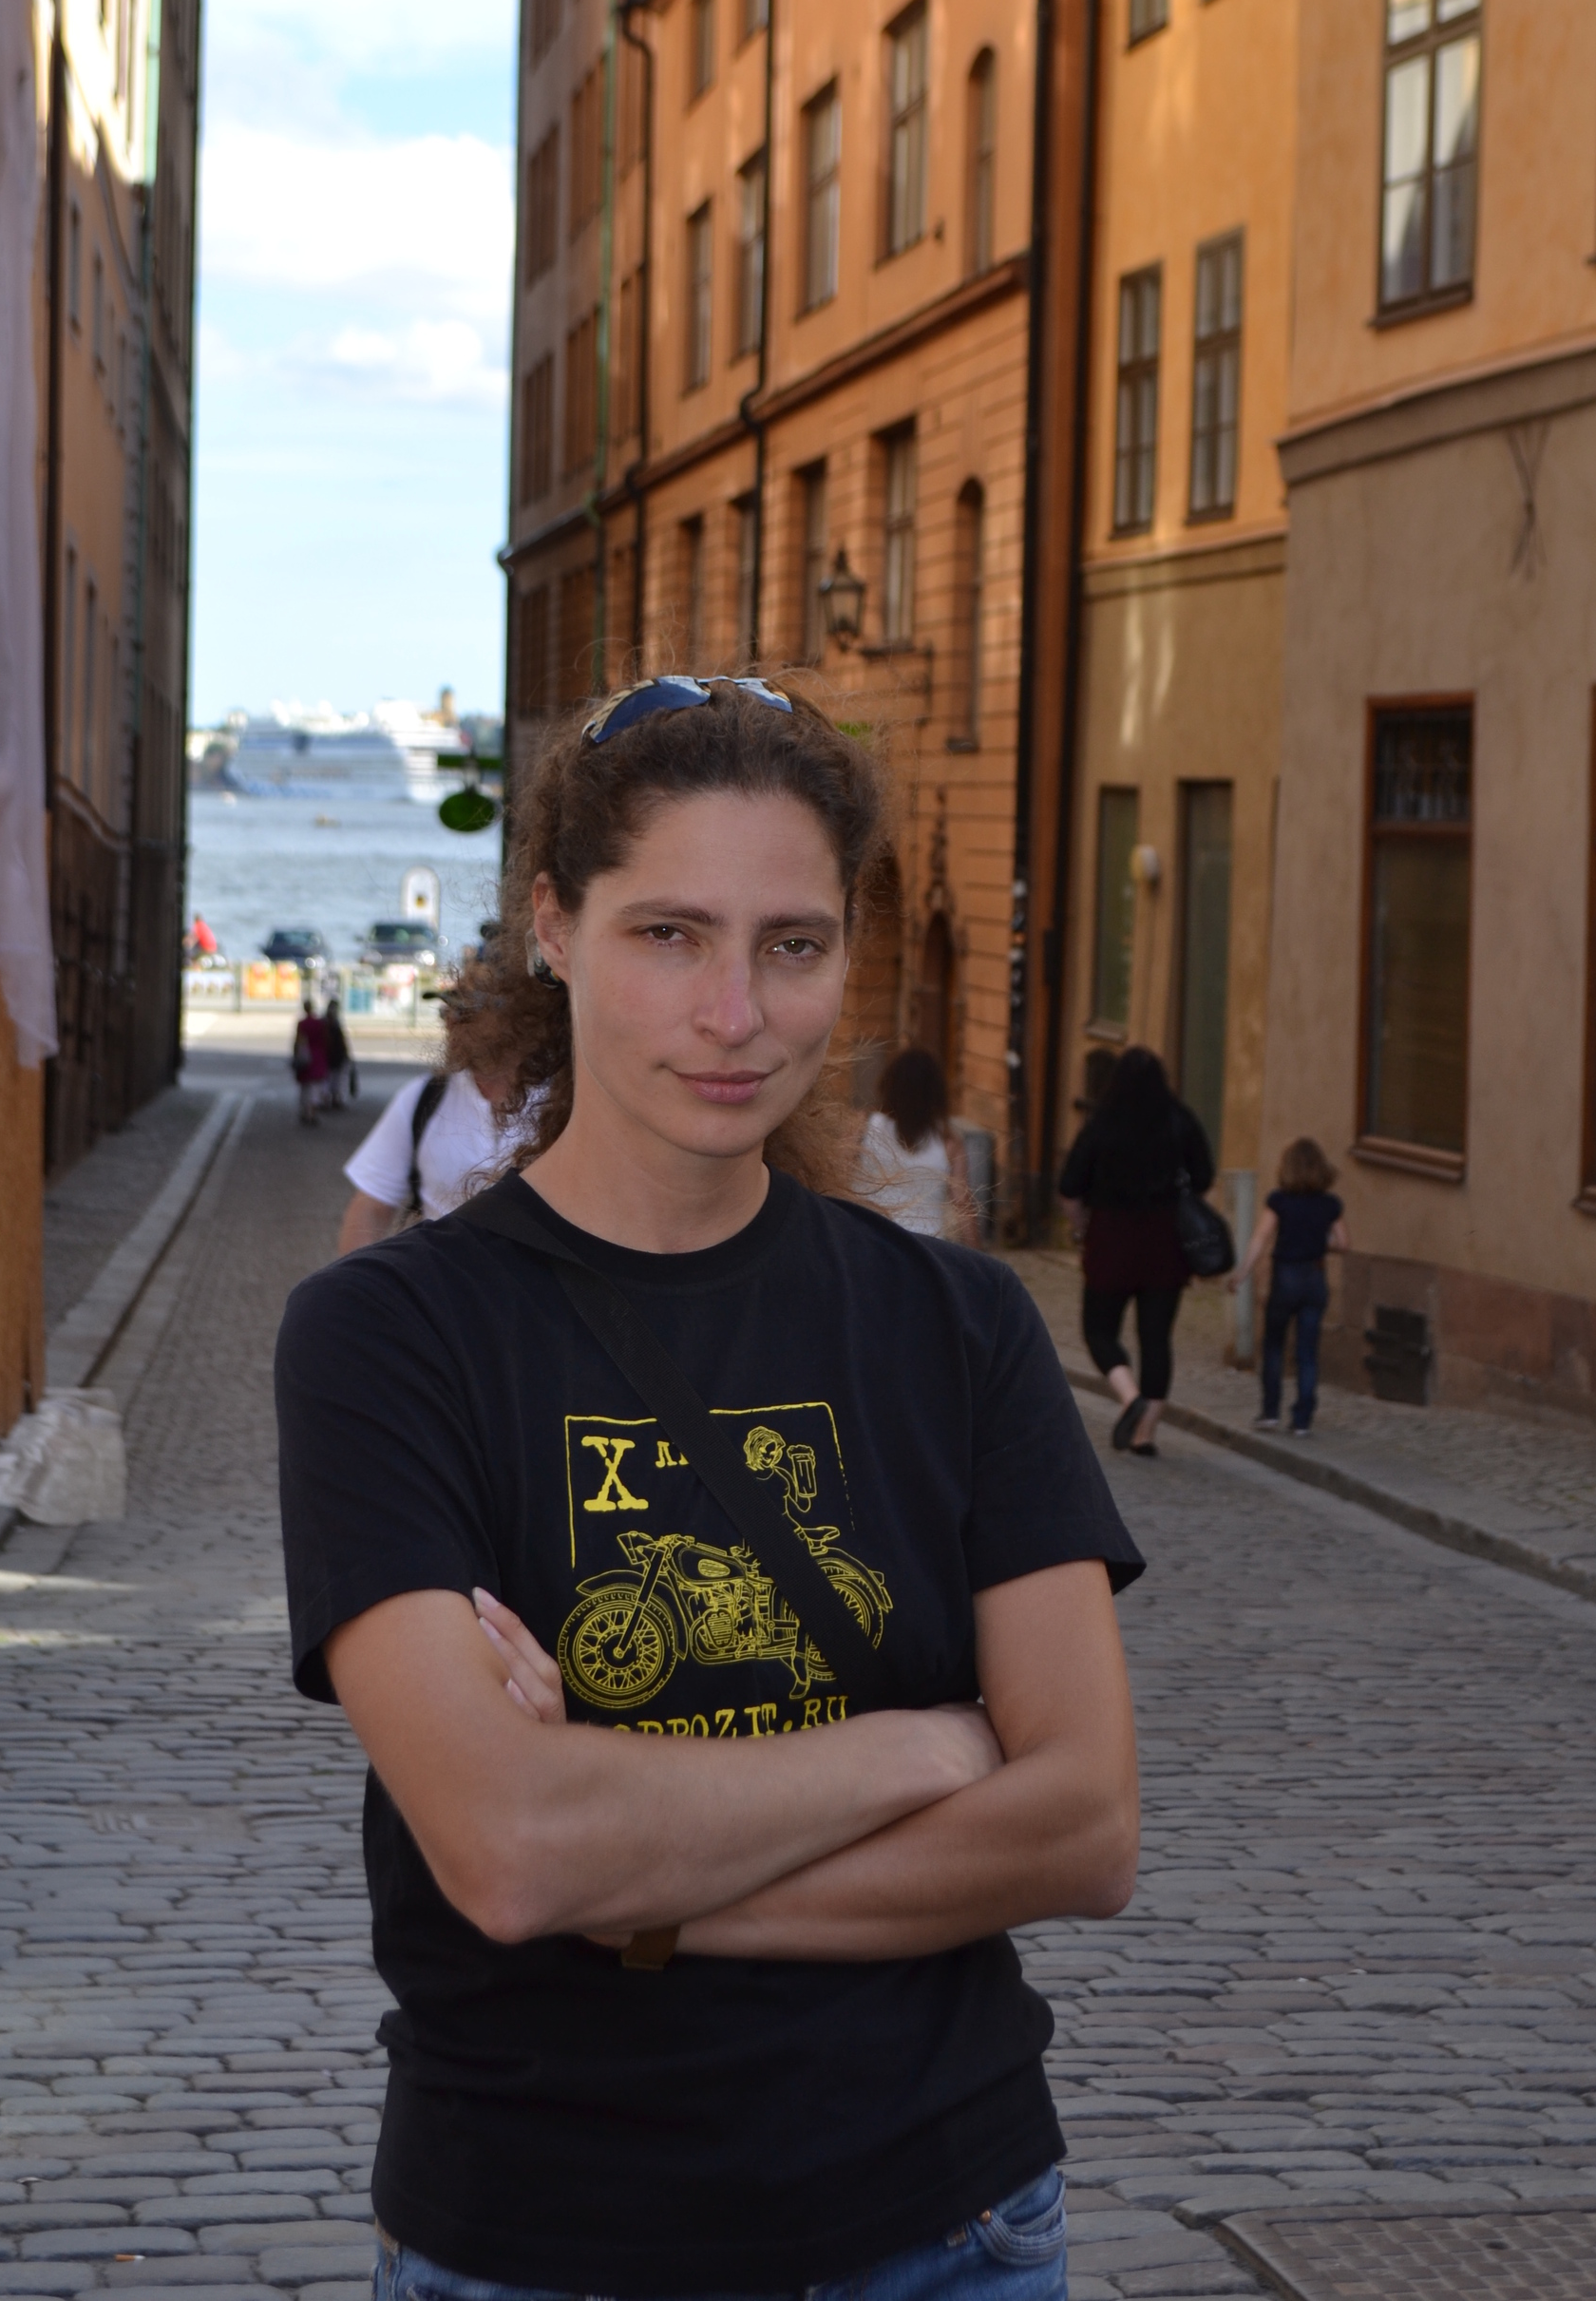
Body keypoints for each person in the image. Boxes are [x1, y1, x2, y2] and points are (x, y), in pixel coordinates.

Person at [274, 673, 1142, 2301]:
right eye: (668, 935)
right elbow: (512, 1852)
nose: (734, 1012)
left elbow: (1084, 1827)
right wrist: (923, 1746)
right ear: (554, 924)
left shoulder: (959, 1324)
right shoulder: (388, 1338)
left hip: (951, 2228)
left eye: (791, 944)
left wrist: (642, 1892)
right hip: (547, 2238)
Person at [1056, 1046, 1213, 1458]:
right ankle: (1145, 1435)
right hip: (1165, 1242)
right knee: (1156, 1337)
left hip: (1111, 1240)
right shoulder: (1179, 1120)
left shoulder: (1101, 1123)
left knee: (1098, 1329)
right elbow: (1204, 1176)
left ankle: (1129, 1396)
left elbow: (1069, 1187)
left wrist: (1081, 1227)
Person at [1227, 1136, 1349, 1436]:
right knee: (1307, 1352)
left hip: (1286, 1278)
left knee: (1273, 1346)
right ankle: (1302, 1419)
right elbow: (1343, 1243)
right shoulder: (1330, 1204)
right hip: (1315, 1278)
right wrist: (1319, 1244)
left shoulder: (1279, 1201)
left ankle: (1271, 1412)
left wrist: (1242, 1273)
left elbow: (1261, 1238)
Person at [335, 1060, 519, 1248]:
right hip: (438, 1265)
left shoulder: (542, 1106)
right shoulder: (425, 1094)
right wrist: (363, 1267)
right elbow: (371, 1206)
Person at [859, 1045, 982, 1245]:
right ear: (936, 1093)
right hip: (925, 1247)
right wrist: (976, 1255)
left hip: (870, 1240)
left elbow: (834, 1179)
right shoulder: (949, 1142)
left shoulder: (864, 1127)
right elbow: (963, 1205)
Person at [291, 998, 329, 1126]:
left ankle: (304, 1111)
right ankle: (312, 1112)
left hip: (305, 1056)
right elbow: (325, 1039)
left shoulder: (302, 1023)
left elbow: (297, 1041)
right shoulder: (319, 1023)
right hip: (318, 1056)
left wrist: (296, 1055)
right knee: (315, 1087)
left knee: (305, 1087)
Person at [322, 996, 353, 1111]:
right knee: (335, 1078)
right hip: (334, 1054)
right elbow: (340, 1040)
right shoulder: (334, 1023)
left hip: (330, 1054)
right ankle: (333, 1099)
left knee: (331, 1078)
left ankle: (330, 1099)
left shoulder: (326, 1021)